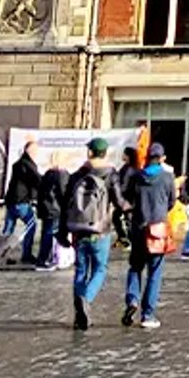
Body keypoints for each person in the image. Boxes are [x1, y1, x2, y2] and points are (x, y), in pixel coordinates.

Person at [62, 137, 123, 330]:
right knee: (100, 269)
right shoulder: (110, 174)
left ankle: (78, 316)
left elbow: (65, 203)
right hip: (100, 230)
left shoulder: (77, 175)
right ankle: (86, 300)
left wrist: (62, 231)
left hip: (78, 230)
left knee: (80, 270)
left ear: (89, 152)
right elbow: (120, 202)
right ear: (105, 153)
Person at [122, 142, 178, 328]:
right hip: (157, 228)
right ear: (161, 158)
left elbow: (128, 199)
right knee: (155, 271)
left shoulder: (137, 176)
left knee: (135, 267)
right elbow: (172, 201)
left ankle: (132, 300)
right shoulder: (167, 177)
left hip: (139, 226)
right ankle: (148, 314)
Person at [2, 138, 42, 258]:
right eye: (36, 151)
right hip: (21, 201)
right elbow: (37, 180)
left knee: (8, 230)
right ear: (30, 151)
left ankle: (1, 254)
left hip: (11, 201)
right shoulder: (28, 165)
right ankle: (26, 254)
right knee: (31, 225)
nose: (37, 153)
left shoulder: (18, 164)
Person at [33, 160, 70, 270]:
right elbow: (63, 193)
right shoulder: (61, 175)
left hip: (46, 209)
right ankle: (43, 260)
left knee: (46, 234)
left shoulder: (47, 174)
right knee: (50, 235)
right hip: (55, 209)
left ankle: (45, 258)